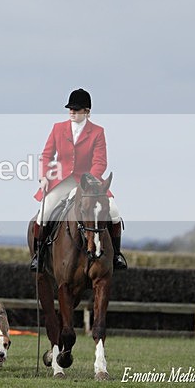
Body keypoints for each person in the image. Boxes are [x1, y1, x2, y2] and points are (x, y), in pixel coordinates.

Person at [31, 88, 128, 271]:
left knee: (114, 212)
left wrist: (88, 181)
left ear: (87, 112)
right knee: (44, 213)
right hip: (63, 180)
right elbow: (46, 155)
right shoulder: (58, 128)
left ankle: (116, 255)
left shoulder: (98, 132)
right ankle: (39, 255)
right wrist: (43, 177)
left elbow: (100, 161)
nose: (73, 113)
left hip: (89, 181)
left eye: (77, 110)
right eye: (71, 110)